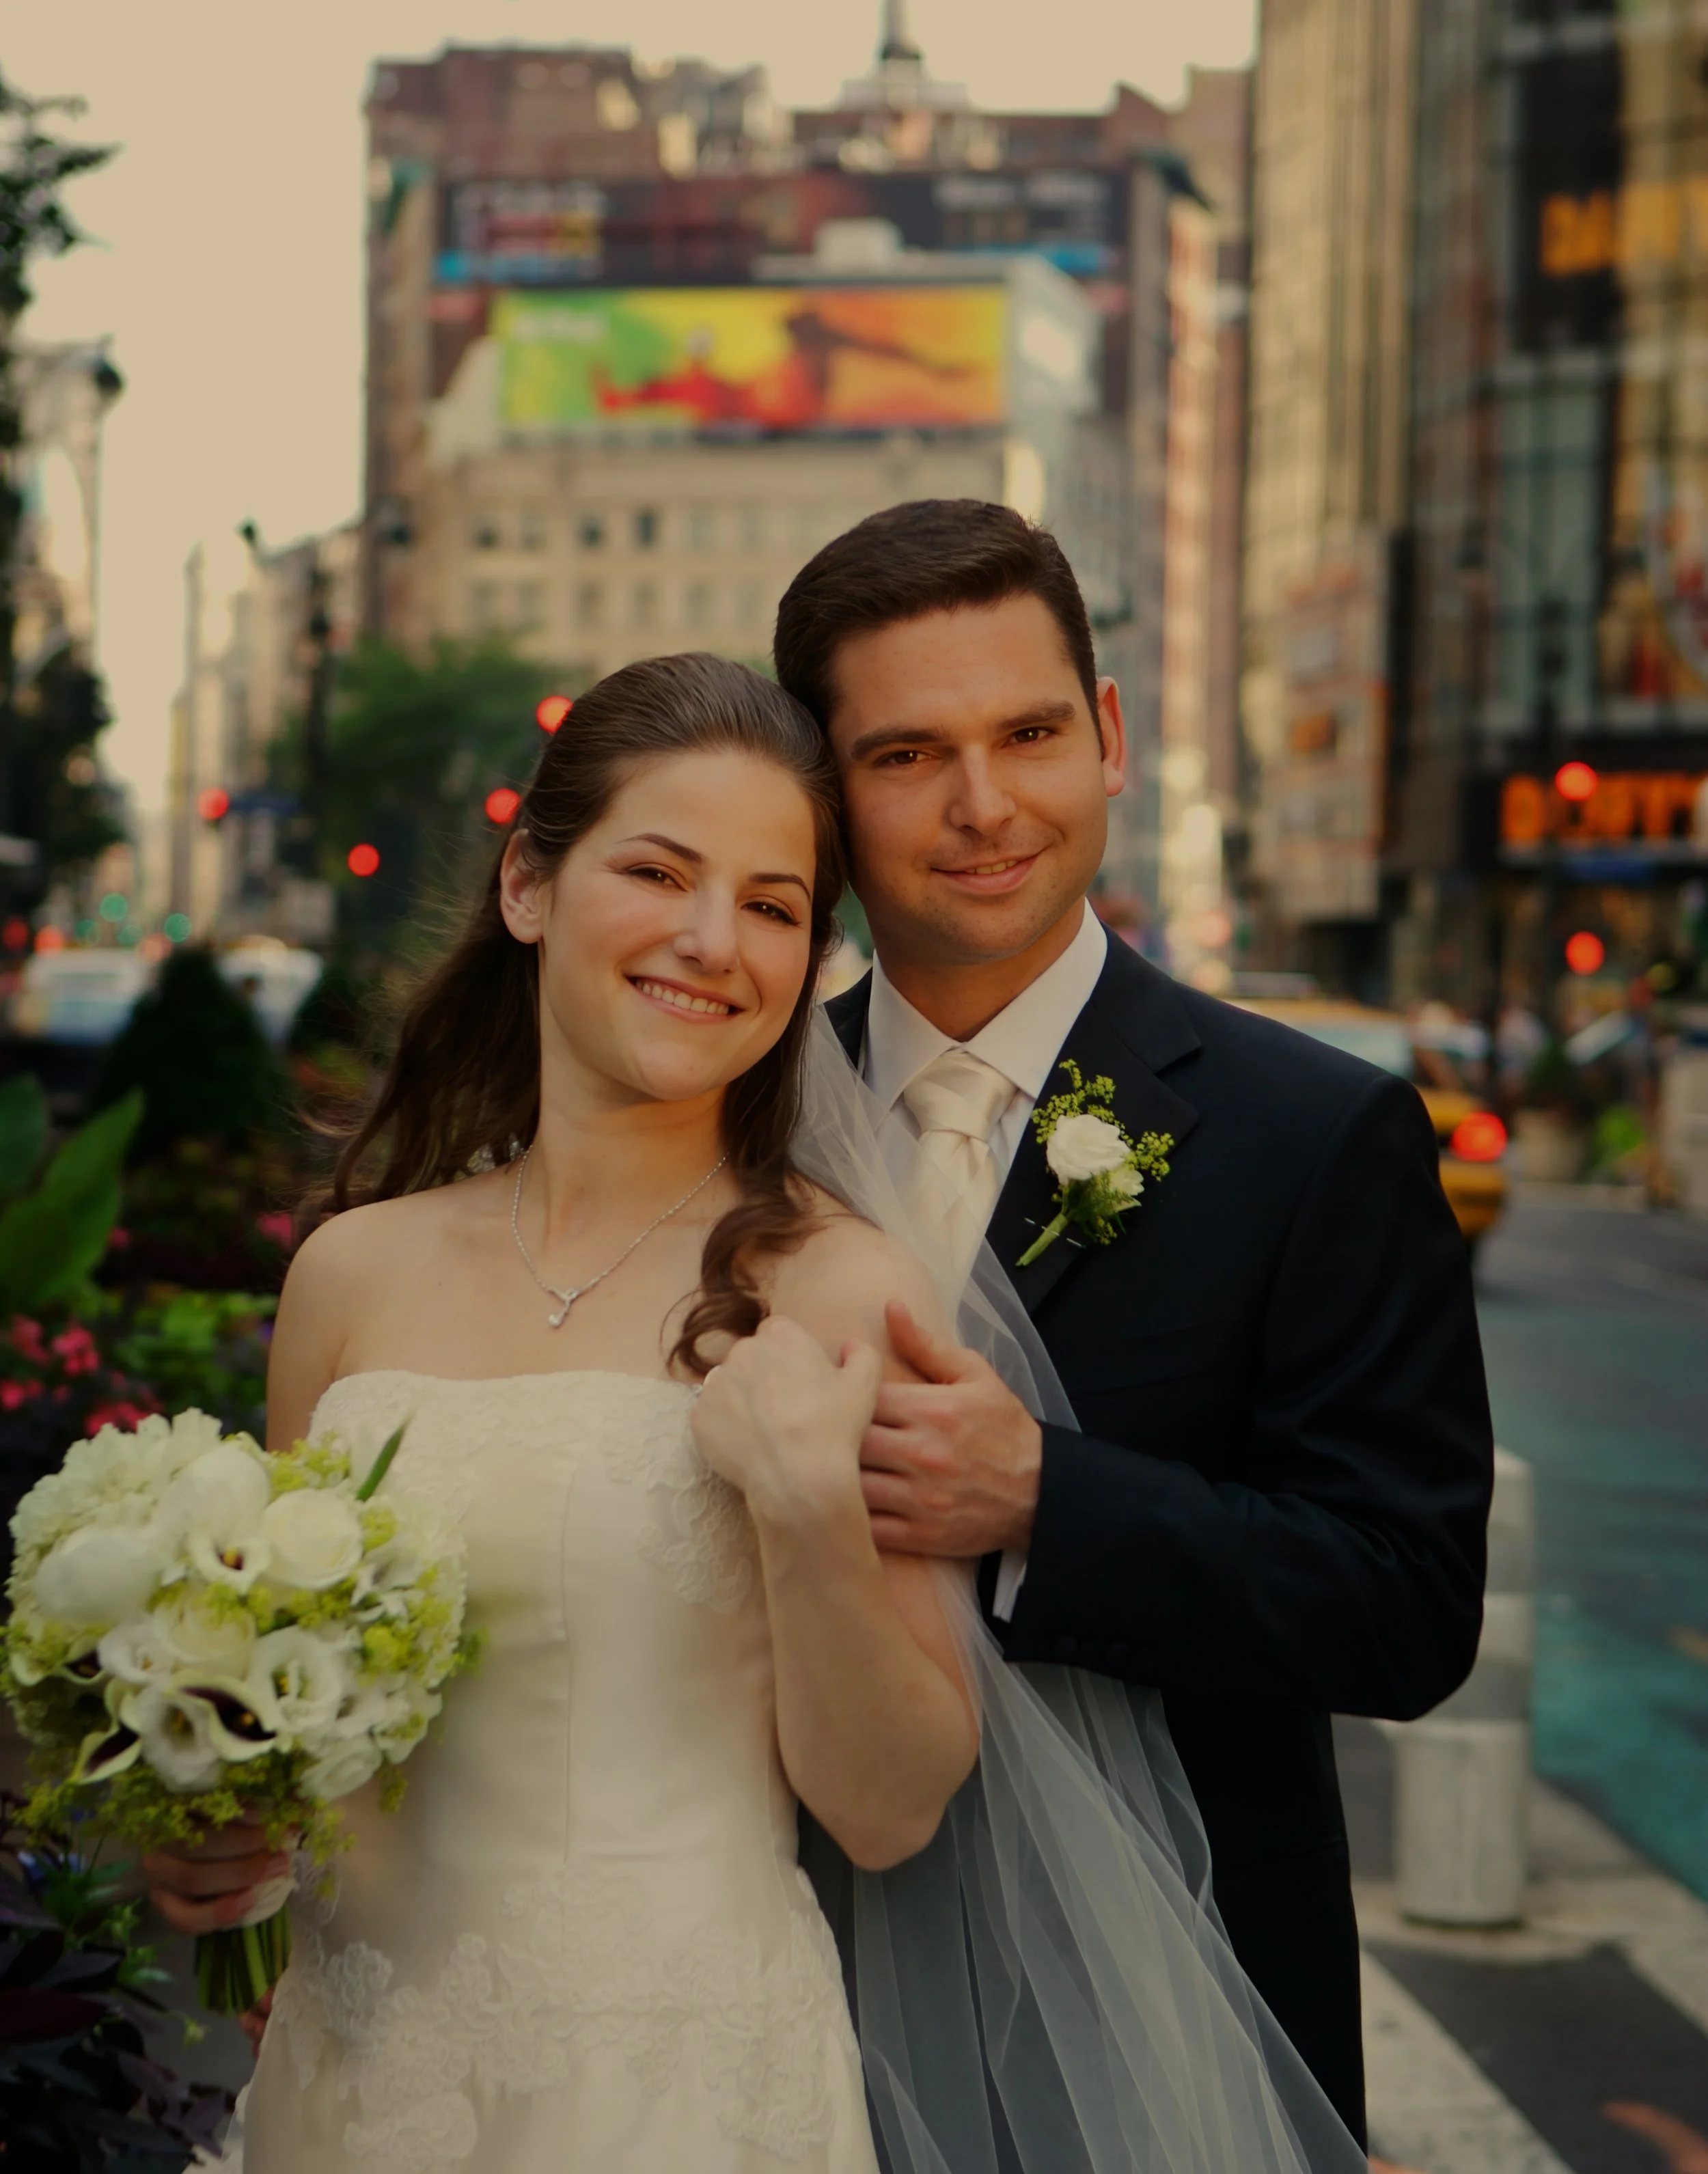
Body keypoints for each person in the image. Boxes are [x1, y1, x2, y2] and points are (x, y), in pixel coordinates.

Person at [141, 647, 1371, 2174]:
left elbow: (888, 1808)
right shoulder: (346, 1272)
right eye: (657, 871)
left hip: (680, 2094)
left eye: (775, 905)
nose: (711, 942)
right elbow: (286, 1723)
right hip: (355, 2079)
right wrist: (209, 1832)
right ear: (529, 883)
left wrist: (800, 1506)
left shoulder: (841, 1287)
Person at [769, 499, 1495, 2148]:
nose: (982, 805)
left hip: (1170, 2024)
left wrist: (1044, 1497)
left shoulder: (1313, 1135)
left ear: (1105, 737)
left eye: (1027, 732)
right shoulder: (731, 1126)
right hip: (777, 2006)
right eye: (904, 754)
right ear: (821, 796)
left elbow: (1403, 1603)